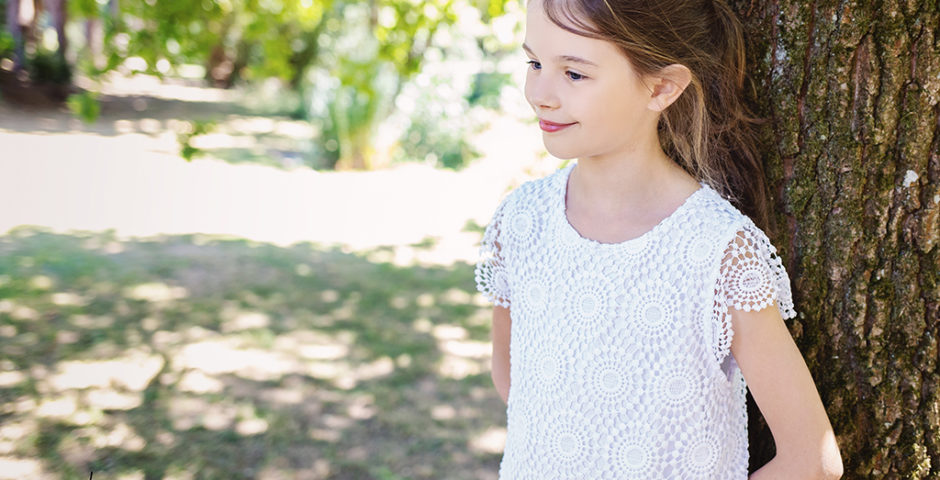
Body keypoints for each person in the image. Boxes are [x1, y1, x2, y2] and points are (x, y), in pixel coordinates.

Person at [473, 0, 844, 478]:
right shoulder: (520, 222)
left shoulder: (716, 253)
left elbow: (812, 461)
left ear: (662, 87)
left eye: (575, 74)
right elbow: (514, 381)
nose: (540, 93)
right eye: (535, 63)